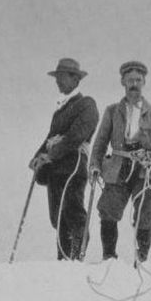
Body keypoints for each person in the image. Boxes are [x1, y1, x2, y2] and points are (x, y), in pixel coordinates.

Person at [89, 61, 151, 263]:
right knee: (108, 209)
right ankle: (109, 257)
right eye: (130, 80)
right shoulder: (112, 111)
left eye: (138, 80)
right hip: (118, 167)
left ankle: (141, 260)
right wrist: (94, 165)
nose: (134, 84)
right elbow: (100, 142)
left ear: (144, 82)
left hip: (146, 168)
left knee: (145, 212)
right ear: (123, 82)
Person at [30, 58, 99, 260]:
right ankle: (63, 261)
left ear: (75, 79)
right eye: (57, 77)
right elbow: (50, 137)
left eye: (62, 77)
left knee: (73, 211)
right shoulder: (59, 111)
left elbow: (77, 135)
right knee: (58, 217)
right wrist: (37, 158)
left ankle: (76, 257)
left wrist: (51, 153)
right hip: (55, 168)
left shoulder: (87, 104)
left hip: (73, 165)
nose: (57, 81)